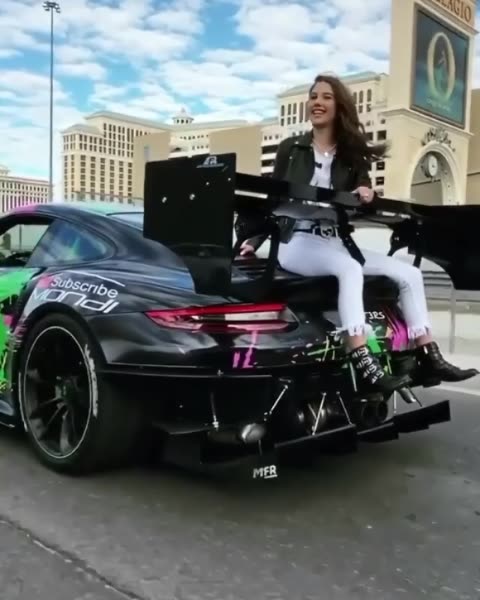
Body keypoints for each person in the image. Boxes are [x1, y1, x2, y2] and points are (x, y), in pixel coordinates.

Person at [239, 73, 478, 393]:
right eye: (313, 97)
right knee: (350, 269)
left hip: (336, 241)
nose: (317, 102)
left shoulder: (351, 155)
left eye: (326, 97)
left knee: (409, 274)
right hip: (296, 241)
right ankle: (360, 355)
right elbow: (274, 198)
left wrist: (367, 194)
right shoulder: (290, 149)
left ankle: (428, 354)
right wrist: (253, 240)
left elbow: (364, 191)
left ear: (339, 106)